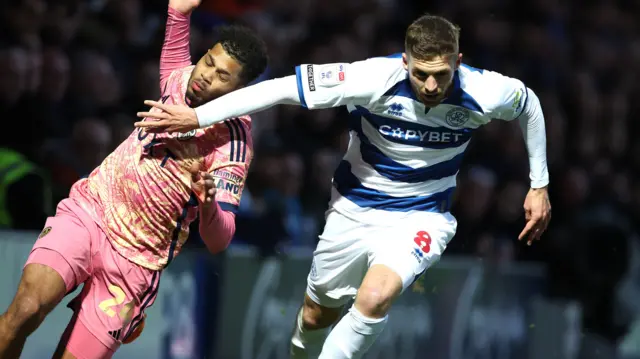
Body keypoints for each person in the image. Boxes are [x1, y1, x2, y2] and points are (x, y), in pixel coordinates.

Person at [135, 14, 551, 359]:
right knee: (316, 317)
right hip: (353, 210)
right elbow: (280, 90)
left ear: (458, 61)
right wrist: (199, 117)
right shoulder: (370, 78)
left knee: (375, 297)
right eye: (421, 74)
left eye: (440, 75)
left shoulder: (486, 91)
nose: (429, 86)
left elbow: (530, 105)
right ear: (405, 61)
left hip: (422, 216)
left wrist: (539, 184)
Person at [0, 0, 267, 357]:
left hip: (135, 263)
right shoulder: (182, 79)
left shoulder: (233, 143)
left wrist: (207, 205)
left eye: (222, 76)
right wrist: (179, 9)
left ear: (239, 91)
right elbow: (177, 19)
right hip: (89, 213)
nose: (205, 75)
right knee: (26, 310)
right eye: (208, 62)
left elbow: (220, 239)